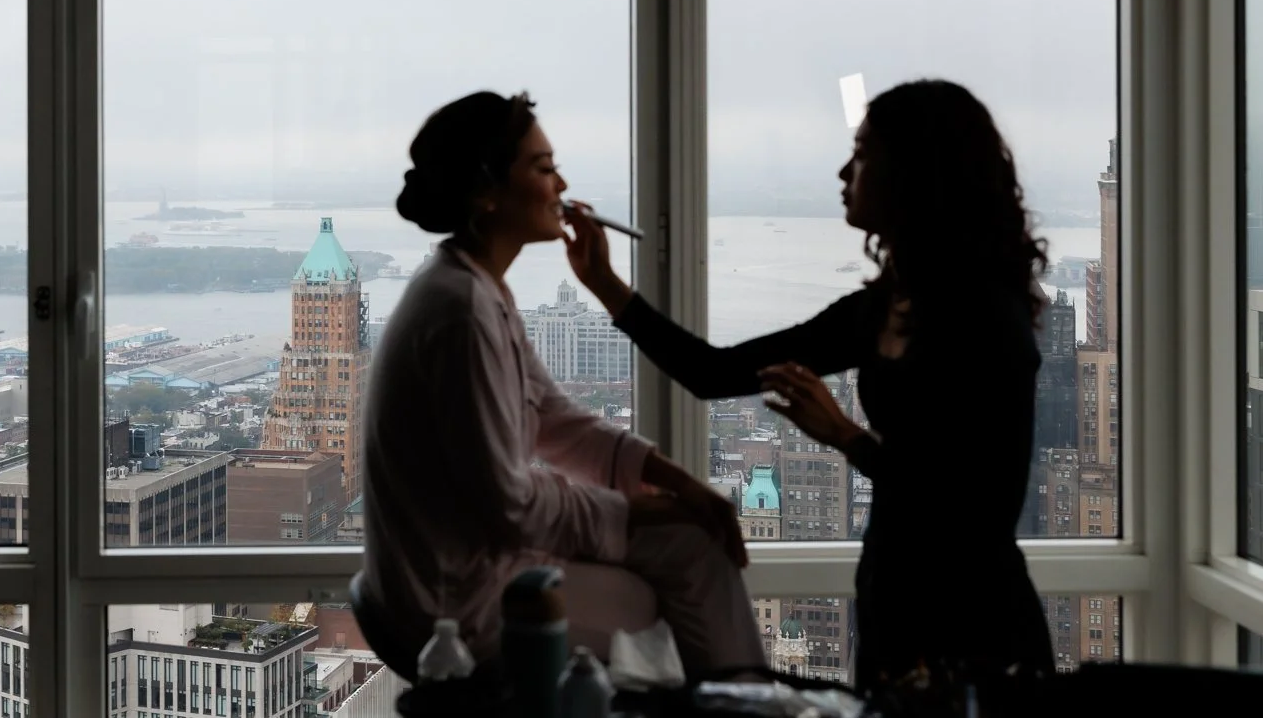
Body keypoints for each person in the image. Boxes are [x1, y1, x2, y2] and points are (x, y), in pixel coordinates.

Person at [561, 78, 1056, 685]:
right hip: (891, 606)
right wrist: (606, 286)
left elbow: (976, 507)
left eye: (864, 152)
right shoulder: (880, 309)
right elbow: (714, 373)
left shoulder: (988, 320)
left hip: (974, 622)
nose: (845, 170)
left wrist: (847, 437)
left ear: (914, 173)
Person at [357, 91, 762, 682]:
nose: (562, 184)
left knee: (691, 545)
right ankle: (738, 700)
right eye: (544, 168)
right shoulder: (462, 312)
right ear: (487, 191)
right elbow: (510, 506)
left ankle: (733, 697)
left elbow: (555, 419)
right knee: (673, 580)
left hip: (464, 566)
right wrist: (633, 513)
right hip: (458, 598)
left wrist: (685, 489)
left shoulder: (477, 290)